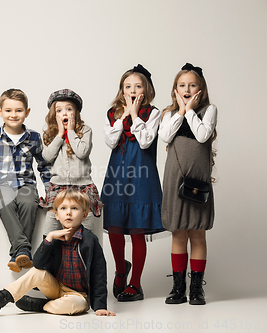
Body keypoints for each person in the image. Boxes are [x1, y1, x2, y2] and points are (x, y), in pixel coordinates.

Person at [0, 189, 114, 317]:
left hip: (78, 296)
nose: (68, 213)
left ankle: (40, 305)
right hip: (56, 288)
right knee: (37, 272)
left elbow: (99, 273)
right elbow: (38, 265)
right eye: (63, 208)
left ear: (84, 214)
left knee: (74, 306)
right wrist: (48, 238)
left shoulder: (90, 241)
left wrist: (100, 306)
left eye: (74, 208)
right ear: (56, 215)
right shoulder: (54, 239)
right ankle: (2, 297)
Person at [100, 64, 165, 302]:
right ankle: (120, 271)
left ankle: (135, 283)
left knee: (137, 230)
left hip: (142, 175)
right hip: (117, 173)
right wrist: (125, 115)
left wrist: (136, 114)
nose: (132, 90)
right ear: (121, 90)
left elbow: (146, 141)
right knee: (115, 227)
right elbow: (110, 141)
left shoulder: (154, 113)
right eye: (128, 86)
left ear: (146, 90)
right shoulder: (112, 113)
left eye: (137, 86)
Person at [159, 63, 217, 305]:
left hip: (198, 180)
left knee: (198, 233)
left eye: (192, 85)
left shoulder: (209, 110)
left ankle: (196, 289)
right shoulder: (169, 114)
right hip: (176, 178)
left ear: (200, 88)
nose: (187, 88)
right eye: (182, 85)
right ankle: (177, 288)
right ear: (175, 89)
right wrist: (181, 111)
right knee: (178, 233)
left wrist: (191, 110)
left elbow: (203, 135)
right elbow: (165, 136)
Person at [0, 88, 51, 272]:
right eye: (8, 110)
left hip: (26, 184)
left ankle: (18, 254)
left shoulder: (34, 138)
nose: (13, 115)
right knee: (4, 203)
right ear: (0, 112)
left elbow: (43, 166)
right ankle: (23, 249)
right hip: (1, 185)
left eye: (18, 110)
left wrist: (49, 190)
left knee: (29, 204)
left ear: (27, 112)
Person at [41, 89, 102, 234]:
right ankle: (48, 249)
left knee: (87, 215)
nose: (65, 113)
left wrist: (71, 131)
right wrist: (60, 135)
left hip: (83, 184)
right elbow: (47, 157)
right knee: (52, 217)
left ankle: (88, 248)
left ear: (76, 113)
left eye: (69, 109)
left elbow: (82, 152)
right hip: (58, 184)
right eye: (59, 110)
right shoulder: (48, 131)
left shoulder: (85, 130)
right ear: (54, 114)